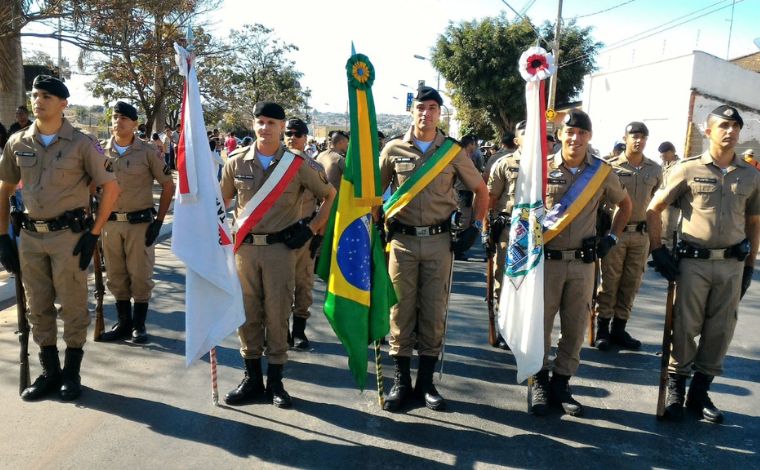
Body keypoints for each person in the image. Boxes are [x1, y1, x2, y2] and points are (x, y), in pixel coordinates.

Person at [0, 75, 120, 401]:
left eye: (47, 96)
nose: (39, 101)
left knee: (72, 305)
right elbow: (5, 188)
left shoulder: (83, 143)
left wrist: (94, 234)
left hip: (69, 237)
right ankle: (49, 371)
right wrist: (2, 237)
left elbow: (110, 187)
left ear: (63, 103)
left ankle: (71, 372)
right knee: (37, 306)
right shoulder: (18, 142)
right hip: (29, 237)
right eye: (36, 95)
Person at [647, 105, 760, 423]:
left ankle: (699, 393)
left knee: (720, 331)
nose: (730, 131)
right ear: (708, 131)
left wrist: (750, 265)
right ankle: (675, 390)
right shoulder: (687, 169)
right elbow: (654, 209)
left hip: (732, 265)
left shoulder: (751, 175)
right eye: (723, 125)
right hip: (692, 264)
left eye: (736, 126)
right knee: (684, 328)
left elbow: (754, 222)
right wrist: (658, 250)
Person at [378, 86, 488, 412]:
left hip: (440, 242)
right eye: (421, 108)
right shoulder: (393, 149)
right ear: (412, 111)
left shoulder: (452, 152)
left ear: (440, 113)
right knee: (400, 310)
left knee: (433, 310)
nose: (426, 113)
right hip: (402, 242)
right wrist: (372, 228)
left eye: (432, 108)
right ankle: (401, 381)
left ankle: (426, 383)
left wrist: (476, 228)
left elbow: (481, 190)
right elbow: (375, 194)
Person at [221, 102, 336, 408]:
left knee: (276, 313)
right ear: (253, 124)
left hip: (280, 251)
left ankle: (275, 382)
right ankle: (251, 378)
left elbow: (330, 197)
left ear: (282, 127)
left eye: (272, 122)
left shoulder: (297, 165)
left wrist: (311, 229)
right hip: (244, 250)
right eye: (260, 121)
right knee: (247, 315)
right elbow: (221, 202)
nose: (265, 128)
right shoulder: (235, 163)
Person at [530, 110, 631, 417]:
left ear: (589, 137)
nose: (575, 138)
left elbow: (625, 205)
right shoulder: (541, 168)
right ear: (561, 134)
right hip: (546, 263)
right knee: (540, 328)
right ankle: (539, 383)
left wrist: (611, 238)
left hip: (583, 264)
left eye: (582, 133)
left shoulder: (601, 172)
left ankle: (562, 384)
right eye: (570, 132)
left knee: (574, 328)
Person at [96, 102, 175, 344]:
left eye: (123, 118)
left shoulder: (148, 152)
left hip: (139, 224)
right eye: (114, 117)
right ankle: (123, 322)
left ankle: (139, 325)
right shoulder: (99, 152)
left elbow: (168, 185)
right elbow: (90, 185)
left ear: (134, 124)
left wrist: (159, 221)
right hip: (109, 225)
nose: (117, 121)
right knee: (116, 276)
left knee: (140, 275)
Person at [594, 122, 662, 351]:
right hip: (615, 234)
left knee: (631, 283)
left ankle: (619, 329)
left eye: (643, 136)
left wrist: (656, 241)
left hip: (640, 235)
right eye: (634, 136)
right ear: (625, 138)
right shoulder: (610, 167)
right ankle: (602, 328)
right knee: (610, 282)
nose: (638, 140)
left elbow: (655, 204)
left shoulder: (654, 169)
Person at [485, 120, 525, 349]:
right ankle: (505, 327)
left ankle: (523, 329)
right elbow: (489, 200)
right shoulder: (504, 164)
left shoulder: (548, 165)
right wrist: (485, 231)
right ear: (516, 140)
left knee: (529, 284)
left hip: (539, 234)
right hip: (508, 231)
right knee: (503, 281)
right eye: (524, 134)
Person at [283, 117, 321, 350]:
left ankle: (298, 331)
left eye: (297, 134)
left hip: (305, 235)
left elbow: (327, 202)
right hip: (278, 235)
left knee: (303, 285)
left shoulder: (315, 168)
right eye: (288, 133)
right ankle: (280, 330)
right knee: (277, 287)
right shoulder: (272, 166)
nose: (292, 138)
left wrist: (318, 234)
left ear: (306, 138)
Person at [658, 141, 680, 249]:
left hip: (672, 204)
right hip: (661, 202)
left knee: (668, 231)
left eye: (663, 154)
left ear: (671, 152)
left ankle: (669, 255)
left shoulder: (679, 165)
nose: (661, 156)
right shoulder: (663, 165)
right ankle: (661, 255)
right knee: (660, 230)